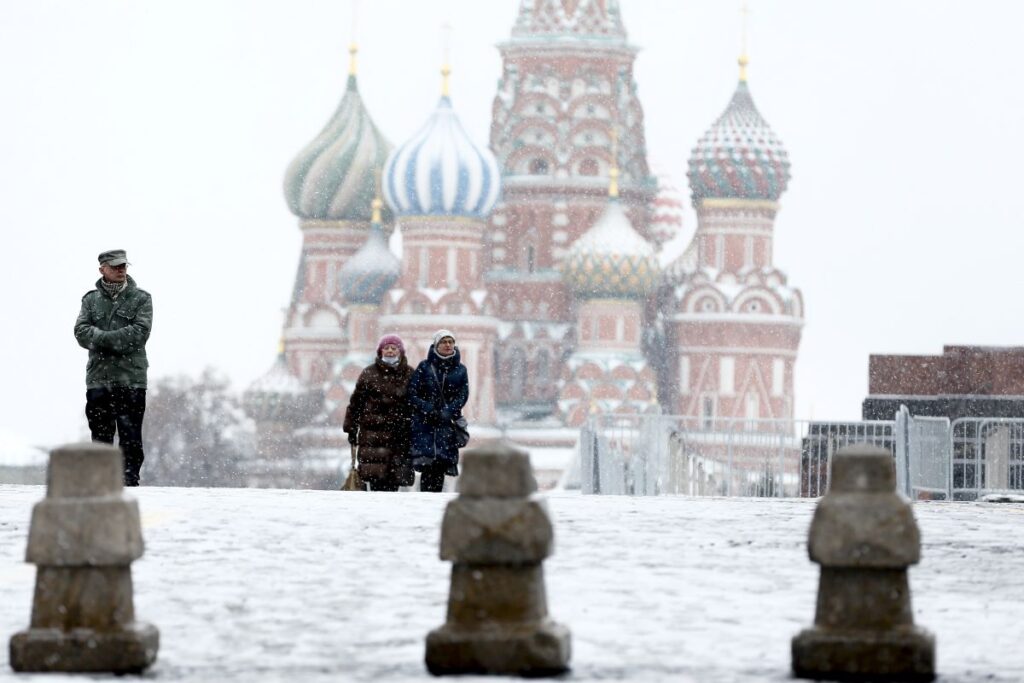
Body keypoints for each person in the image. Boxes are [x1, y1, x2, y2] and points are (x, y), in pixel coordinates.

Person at [74, 249, 153, 486]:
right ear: (102, 269)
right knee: (100, 435)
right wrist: (112, 339)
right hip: (99, 379)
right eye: (116, 266)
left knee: (130, 436)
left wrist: (100, 339)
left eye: (124, 266)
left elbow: (138, 334)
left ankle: (129, 480)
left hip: (132, 379)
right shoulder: (90, 300)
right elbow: (80, 333)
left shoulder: (141, 298)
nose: (121, 270)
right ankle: (100, 481)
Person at [343, 334, 415, 492]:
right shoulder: (369, 373)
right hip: (373, 435)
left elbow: (416, 403)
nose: (390, 351)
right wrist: (351, 427)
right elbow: (356, 403)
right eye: (386, 348)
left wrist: (413, 424)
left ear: (400, 351)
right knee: (376, 482)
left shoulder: (409, 374)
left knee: (393, 482)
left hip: (399, 436)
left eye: (394, 348)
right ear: (380, 351)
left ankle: (389, 516)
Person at [407, 329, 469, 492]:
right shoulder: (424, 367)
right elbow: (412, 393)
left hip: (447, 424)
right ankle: (426, 499)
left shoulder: (460, 369)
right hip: (426, 424)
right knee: (427, 463)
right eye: (443, 342)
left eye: (450, 342)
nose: (448, 345)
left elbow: (463, 394)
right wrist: (427, 408)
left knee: (441, 463)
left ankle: (434, 499)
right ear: (436, 345)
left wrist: (449, 411)